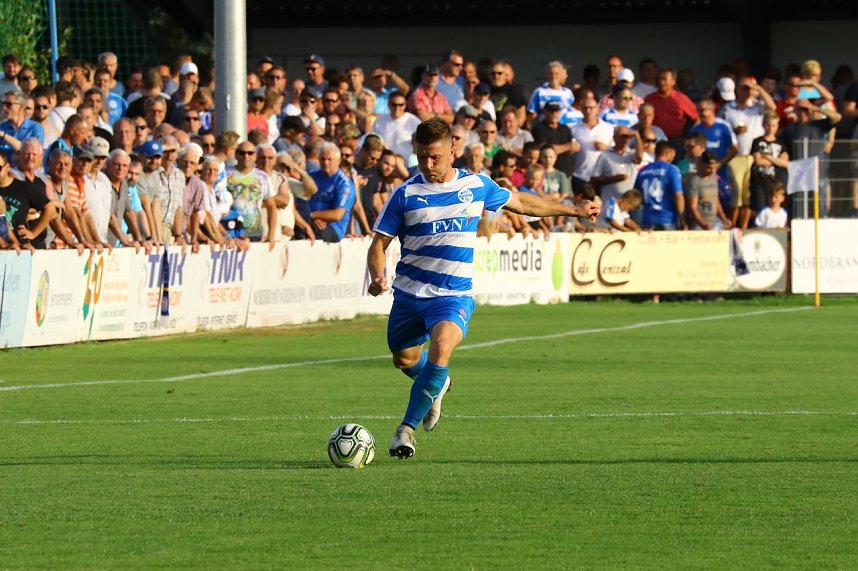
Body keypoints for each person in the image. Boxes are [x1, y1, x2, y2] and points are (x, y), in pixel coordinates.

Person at [365, 118, 599, 459]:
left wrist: (572, 210)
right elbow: (378, 244)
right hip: (409, 295)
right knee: (403, 359)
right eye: (421, 157)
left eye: (435, 157)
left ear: (452, 152)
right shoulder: (405, 194)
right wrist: (377, 275)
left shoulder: (476, 186)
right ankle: (437, 383)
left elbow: (522, 203)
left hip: (452, 295)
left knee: (441, 349)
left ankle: (405, 431)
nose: (428, 165)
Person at [308, 142, 354, 242]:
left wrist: (310, 215)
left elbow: (337, 215)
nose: (326, 162)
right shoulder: (311, 176)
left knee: (315, 233)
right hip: (310, 221)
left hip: (334, 227)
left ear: (338, 161)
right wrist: (311, 219)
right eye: (323, 159)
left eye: (329, 159)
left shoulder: (344, 183)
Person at [749, 111, 788, 227]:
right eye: (768, 125)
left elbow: (785, 163)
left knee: (774, 210)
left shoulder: (781, 144)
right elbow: (758, 161)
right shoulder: (757, 141)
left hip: (774, 182)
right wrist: (776, 160)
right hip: (759, 181)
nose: (771, 128)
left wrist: (768, 157)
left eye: (774, 125)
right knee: (760, 211)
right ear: (764, 125)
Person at [634, 141, 685, 230]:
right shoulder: (672, 170)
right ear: (668, 152)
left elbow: (637, 196)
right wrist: (682, 219)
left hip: (647, 219)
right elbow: (678, 195)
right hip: (667, 218)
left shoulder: (643, 171)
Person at [685, 151, 732, 231]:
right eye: (709, 168)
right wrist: (702, 224)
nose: (712, 170)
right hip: (698, 224)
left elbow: (715, 200)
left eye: (714, 168)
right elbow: (693, 207)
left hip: (714, 222)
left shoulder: (713, 178)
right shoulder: (695, 181)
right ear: (702, 164)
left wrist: (723, 218)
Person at [372, 91, 421, 159]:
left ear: (405, 105)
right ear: (388, 104)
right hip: (386, 164)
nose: (397, 108)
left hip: (408, 165)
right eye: (394, 104)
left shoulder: (414, 121)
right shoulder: (379, 121)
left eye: (401, 105)